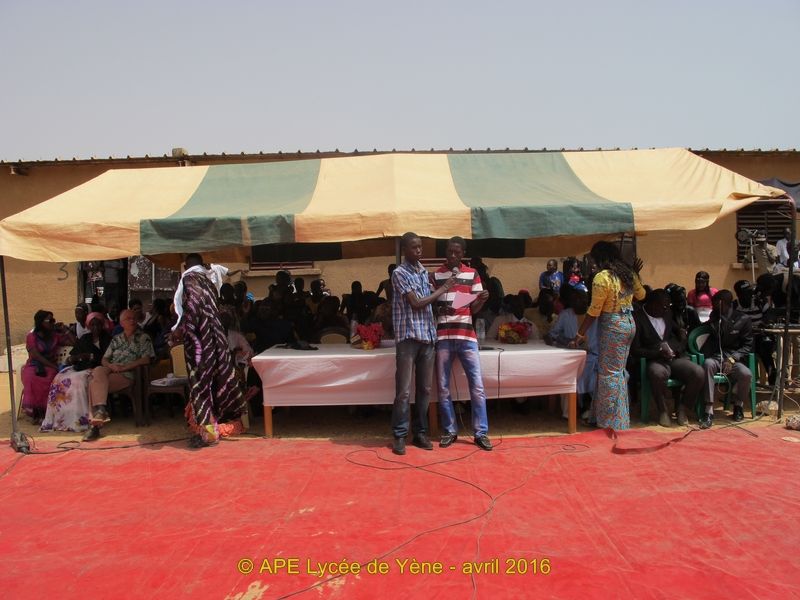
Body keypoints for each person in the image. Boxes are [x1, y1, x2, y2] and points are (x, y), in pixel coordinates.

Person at [173, 253, 248, 447]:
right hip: (217, 341)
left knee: (200, 384)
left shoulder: (189, 279)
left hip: (199, 342)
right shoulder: (209, 277)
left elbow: (191, 307)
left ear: (186, 265)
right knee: (218, 378)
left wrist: (180, 330)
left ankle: (208, 430)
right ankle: (223, 420)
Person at [390, 232, 455, 455]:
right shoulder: (399, 273)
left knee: (425, 389)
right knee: (404, 391)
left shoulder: (423, 272)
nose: (419, 251)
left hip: (427, 337)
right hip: (408, 339)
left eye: (420, 247)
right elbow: (416, 303)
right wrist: (443, 289)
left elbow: (427, 304)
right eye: (414, 247)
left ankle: (420, 433)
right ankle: (399, 434)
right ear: (405, 250)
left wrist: (441, 308)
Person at [572, 242, 646, 430]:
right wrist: (635, 275)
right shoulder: (628, 273)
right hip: (629, 322)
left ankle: (610, 421)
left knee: (608, 374)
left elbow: (594, 310)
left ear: (600, 257)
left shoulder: (602, 277)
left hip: (612, 325)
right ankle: (610, 416)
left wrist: (580, 333)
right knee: (618, 371)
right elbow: (642, 294)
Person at [432, 236, 492, 451]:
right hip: (444, 337)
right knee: (443, 387)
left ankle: (481, 432)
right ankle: (449, 430)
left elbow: (474, 310)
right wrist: (440, 309)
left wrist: (481, 300)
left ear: (463, 253)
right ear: (445, 252)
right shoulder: (436, 274)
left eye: (457, 252)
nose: (453, 256)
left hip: (467, 336)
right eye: (449, 251)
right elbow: (430, 305)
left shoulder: (472, 274)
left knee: (477, 386)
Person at [631, 289, 704, 427]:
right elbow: (635, 350)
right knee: (657, 373)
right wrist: (657, 353)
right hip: (653, 359)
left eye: (668, 306)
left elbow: (678, 335)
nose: (666, 309)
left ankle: (682, 407)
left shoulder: (667, 313)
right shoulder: (637, 317)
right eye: (663, 306)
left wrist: (676, 347)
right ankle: (663, 410)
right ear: (652, 304)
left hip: (673, 358)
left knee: (698, 373)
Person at [83, 309, 155, 441]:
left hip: (128, 373)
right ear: (121, 323)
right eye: (128, 319)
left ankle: (95, 426)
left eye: (134, 318)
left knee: (93, 383)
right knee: (97, 371)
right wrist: (111, 366)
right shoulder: (116, 339)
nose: (132, 321)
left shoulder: (143, 338)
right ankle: (100, 411)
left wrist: (125, 367)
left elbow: (146, 359)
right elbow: (104, 359)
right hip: (112, 370)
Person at [41, 312, 111, 433]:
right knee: (59, 379)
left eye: (98, 324)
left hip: (96, 368)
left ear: (102, 325)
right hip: (80, 366)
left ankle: (79, 419)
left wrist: (91, 356)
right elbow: (72, 357)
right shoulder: (85, 338)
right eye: (92, 325)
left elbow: (106, 358)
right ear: (88, 326)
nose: (95, 327)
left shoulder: (108, 338)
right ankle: (61, 418)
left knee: (77, 382)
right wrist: (80, 357)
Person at [698, 290, 753, 429]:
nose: (712, 306)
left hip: (733, 359)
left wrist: (733, 358)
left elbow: (748, 345)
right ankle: (709, 410)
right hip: (716, 357)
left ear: (722, 303)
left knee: (746, 374)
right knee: (707, 364)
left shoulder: (743, 319)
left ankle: (739, 405)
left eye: (715, 303)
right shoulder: (715, 317)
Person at [546, 288, 598, 421]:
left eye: (584, 299)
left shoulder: (596, 316)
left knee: (597, 378)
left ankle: (591, 409)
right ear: (572, 302)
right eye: (577, 300)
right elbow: (553, 334)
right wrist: (568, 341)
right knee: (569, 378)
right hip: (571, 357)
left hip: (593, 356)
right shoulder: (565, 315)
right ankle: (572, 412)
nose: (581, 302)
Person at [21, 310, 68, 422]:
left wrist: (65, 329)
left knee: (49, 378)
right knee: (31, 377)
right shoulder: (31, 337)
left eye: (53, 320)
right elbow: (36, 355)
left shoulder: (55, 336)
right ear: (40, 322)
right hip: (34, 365)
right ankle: (35, 411)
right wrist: (53, 366)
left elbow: (74, 343)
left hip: (50, 366)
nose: (52, 323)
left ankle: (45, 411)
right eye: (50, 321)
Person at [733, 279, 776, 386]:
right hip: (743, 339)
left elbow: (770, 315)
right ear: (739, 294)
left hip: (760, 337)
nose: (751, 295)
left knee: (765, 348)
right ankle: (741, 383)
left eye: (750, 292)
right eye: (747, 293)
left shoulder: (759, 302)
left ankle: (772, 378)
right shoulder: (734, 305)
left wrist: (765, 322)